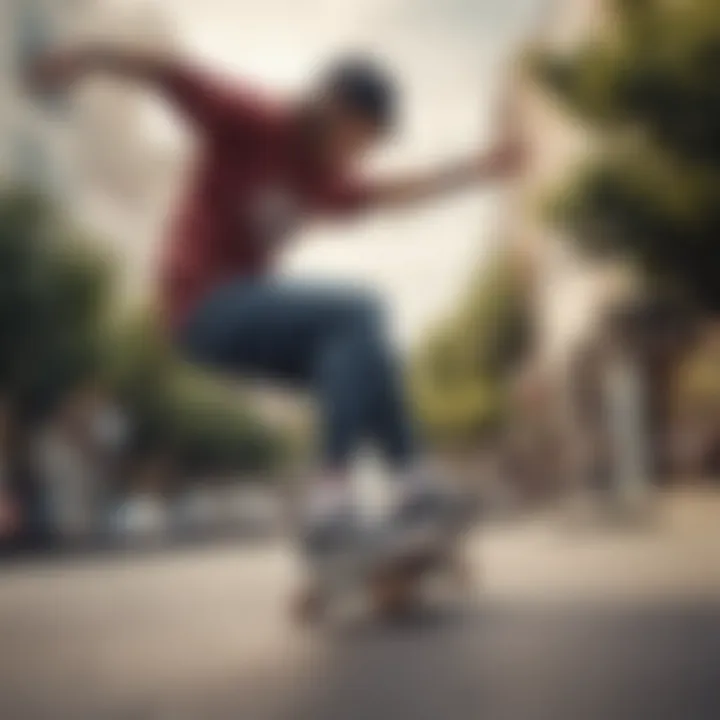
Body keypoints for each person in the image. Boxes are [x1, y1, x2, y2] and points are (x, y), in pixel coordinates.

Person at [29, 45, 525, 559]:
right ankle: (331, 499)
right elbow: (165, 70)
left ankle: (413, 489)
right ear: (333, 108)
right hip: (201, 306)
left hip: (238, 321)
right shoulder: (251, 119)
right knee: (359, 310)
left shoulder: (325, 180)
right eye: (364, 137)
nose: (362, 154)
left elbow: (388, 195)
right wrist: (81, 59)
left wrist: (474, 171)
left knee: (370, 353)